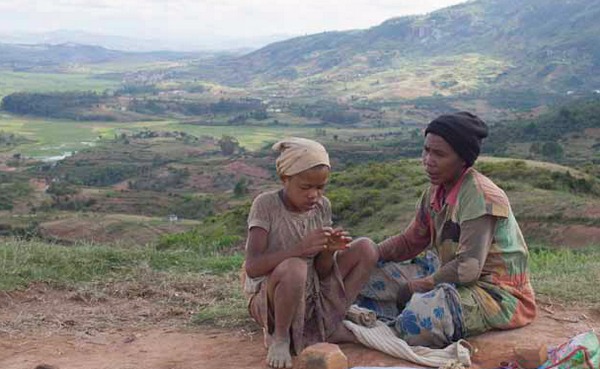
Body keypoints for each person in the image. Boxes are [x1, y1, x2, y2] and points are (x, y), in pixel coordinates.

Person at [359, 112, 537, 348]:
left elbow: (467, 268)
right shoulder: (435, 191)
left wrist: (416, 287)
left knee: (418, 320)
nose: (428, 160)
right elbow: (410, 241)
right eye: (426, 150)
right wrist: (368, 253)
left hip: (493, 293)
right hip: (449, 277)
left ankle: (392, 318)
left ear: (463, 159)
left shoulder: (481, 197)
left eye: (439, 154)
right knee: (366, 273)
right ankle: (393, 314)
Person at [243, 137, 378, 368]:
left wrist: (327, 251)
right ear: (285, 179)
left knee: (366, 248)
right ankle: (281, 337)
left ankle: (329, 321)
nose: (313, 195)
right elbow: (253, 266)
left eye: (320, 187)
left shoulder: (322, 206)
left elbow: (323, 273)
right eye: (305, 187)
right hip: (273, 298)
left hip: (311, 293)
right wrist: (299, 249)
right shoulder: (265, 205)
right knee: (295, 267)